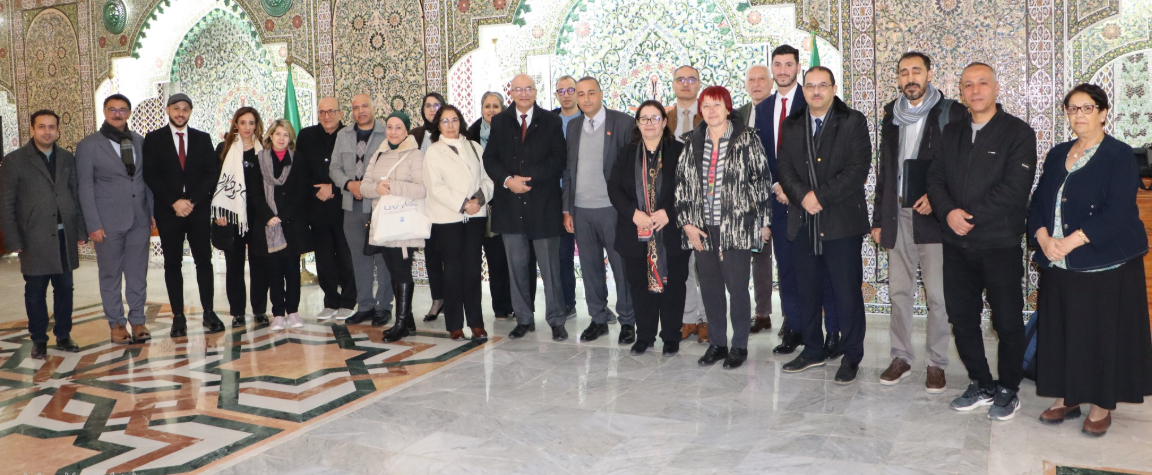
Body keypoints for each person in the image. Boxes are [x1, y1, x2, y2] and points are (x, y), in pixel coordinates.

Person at [1029, 83, 1152, 436]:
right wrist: (1043, 238)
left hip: (1103, 261)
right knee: (1065, 332)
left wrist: (1070, 242)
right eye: (1072, 108)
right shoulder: (1057, 153)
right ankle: (1069, 396)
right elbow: (1039, 202)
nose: (1079, 115)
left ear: (1102, 113)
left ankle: (1101, 403)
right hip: (1058, 260)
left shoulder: (1119, 155)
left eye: (1087, 108)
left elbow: (1117, 212)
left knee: (1100, 335)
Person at [926, 62, 1036, 421]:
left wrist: (966, 217)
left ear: (996, 88)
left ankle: (1008, 388)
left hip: (999, 244)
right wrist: (947, 213)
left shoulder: (1018, 132)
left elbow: (1014, 190)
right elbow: (934, 179)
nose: (975, 90)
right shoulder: (951, 132)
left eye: (982, 83)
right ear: (961, 92)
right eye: (968, 85)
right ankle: (981, 382)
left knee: (1007, 322)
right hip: (956, 245)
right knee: (962, 318)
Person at [871, 52, 966, 392]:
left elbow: (961, 165)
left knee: (938, 295)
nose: (910, 78)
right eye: (904, 72)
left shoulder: (950, 112)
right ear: (898, 78)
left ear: (929, 74)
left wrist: (940, 198)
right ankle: (901, 357)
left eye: (916, 71)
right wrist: (878, 218)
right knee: (899, 292)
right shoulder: (890, 116)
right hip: (897, 214)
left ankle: (937, 363)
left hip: (933, 217)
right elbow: (885, 170)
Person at [777, 66, 872, 384]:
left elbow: (858, 169)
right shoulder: (792, 125)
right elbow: (784, 168)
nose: (815, 91)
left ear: (833, 88)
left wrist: (819, 196)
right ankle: (813, 350)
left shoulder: (853, 121)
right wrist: (803, 196)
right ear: (803, 90)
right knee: (807, 291)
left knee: (846, 293)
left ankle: (852, 355)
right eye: (810, 86)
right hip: (802, 221)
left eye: (822, 85)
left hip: (841, 222)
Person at [674, 85, 772, 370]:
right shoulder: (692, 141)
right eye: (706, 105)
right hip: (702, 229)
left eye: (717, 104)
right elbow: (681, 186)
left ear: (728, 108)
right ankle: (717, 343)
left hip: (737, 226)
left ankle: (739, 346)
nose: (712, 110)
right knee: (711, 289)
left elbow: (762, 182)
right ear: (700, 111)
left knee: (737, 289)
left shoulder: (747, 139)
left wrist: (764, 223)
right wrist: (687, 224)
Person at [754, 45, 843, 357]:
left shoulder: (812, 101)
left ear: (797, 68)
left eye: (788, 64)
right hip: (778, 202)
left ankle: (832, 331)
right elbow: (763, 156)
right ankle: (795, 327)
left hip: (811, 200)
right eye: (777, 64)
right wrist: (777, 185)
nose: (782, 70)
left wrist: (796, 189)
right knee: (788, 269)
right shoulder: (763, 108)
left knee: (824, 269)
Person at [484, 73, 569, 341]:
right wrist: (508, 180)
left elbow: (558, 159)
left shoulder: (551, 121)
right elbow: (490, 158)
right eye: (518, 89)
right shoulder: (500, 121)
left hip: (543, 205)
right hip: (510, 205)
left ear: (535, 91)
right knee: (517, 267)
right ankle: (523, 319)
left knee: (550, 268)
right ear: (511, 92)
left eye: (528, 88)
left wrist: (528, 179)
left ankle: (556, 320)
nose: (523, 93)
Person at [1, 110, 85, 358]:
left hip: (64, 236)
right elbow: (6, 203)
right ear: (32, 129)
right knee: (35, 291)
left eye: (51, 127)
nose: (47, 132)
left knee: (65, 288)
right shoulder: (15, 160)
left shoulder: (67, 158)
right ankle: (38, 339)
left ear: (58, 131)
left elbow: (75, 195)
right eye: (41, 127)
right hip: (33, 238)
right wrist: (13, 239)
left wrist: (80, 230)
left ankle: (64, 335)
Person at [608, 100, 688, 356]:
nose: (650, 123)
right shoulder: (626, 153)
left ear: (664, 122)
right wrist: (633, 213)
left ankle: (671, 336)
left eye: (655, 118)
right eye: (644, 118)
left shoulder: (680, 151)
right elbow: (614, 189)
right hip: (635, 232)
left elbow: (690, 189)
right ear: (638, 123)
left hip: (670, 232)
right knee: (639, 287)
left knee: (673, 287)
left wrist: (670, 213)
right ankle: (644, 336)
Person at [143, 93, 224, 337]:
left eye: (185, 109)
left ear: (190, 112)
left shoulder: (202, 138)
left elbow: (211, 173)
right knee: (172, 264)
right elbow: (151, 175)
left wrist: (191, 201)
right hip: (169, 212)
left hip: (197, 211)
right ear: (168, 110)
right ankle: (178, 316)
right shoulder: (154, 139)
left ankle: (209, 311)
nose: (180, 113)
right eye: (176, 108)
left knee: (203, 262)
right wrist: (174, 202)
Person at [563, 76, 636, 344]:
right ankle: (598, 318)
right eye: (581, 94)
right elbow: (569, 170)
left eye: (591, 93)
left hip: (613, 210)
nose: (586, 99)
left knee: (621, 268)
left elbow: (632, 167)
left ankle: (628, 321)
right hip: (582, 210)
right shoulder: (573, 126)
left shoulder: (622, 123)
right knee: (590, 267)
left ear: (601, 94)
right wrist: (567, 209)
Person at [77, 94, 154, 343]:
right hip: (107, 223)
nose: (117, 114)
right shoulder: (89, 145)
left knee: (137, 274)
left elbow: (146, 180)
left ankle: (138, 321)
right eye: (112, 109)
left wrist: (152, 212)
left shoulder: (139, 141)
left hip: (139, 220)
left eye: (122, 110)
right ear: (104, 112)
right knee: (110, 275)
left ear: (129, 114)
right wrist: (93, 224)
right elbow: (85, 187)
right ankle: (117, 324)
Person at [425, 105, 493, 342]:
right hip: (448, 218)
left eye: (454, 120)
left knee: (473, 269)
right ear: (438, 125)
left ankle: (476, 323)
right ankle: (454, 324)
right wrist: (464, 204)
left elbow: (487, 179)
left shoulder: (474, 147)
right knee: (452, 271)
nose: (450, 125)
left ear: (461, 122)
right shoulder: (433, 151)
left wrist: (478, 201)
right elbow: (435, 187)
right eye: (445, 121)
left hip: (475, 216)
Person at [360, 112, 427, 342]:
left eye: (398, 127)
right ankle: (407, 320)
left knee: (401, 271)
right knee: (392, 270)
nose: (393, 132)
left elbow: (422, 189)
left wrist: (392, 186)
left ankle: (401, 325)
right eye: (389, 127)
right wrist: (376, 189)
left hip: (403, 223)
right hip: (383, 223)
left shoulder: (415, 154)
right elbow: (365, 187)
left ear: (406, 130)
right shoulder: (379, 153)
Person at [329, 93, 395, 325]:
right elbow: (334, 168)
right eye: (355, 107)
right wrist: (349, 184)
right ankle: (365, 305)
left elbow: (393, 168)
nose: (360, 111)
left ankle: (384, 306)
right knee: (358, 259)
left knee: (383, 259)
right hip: (352, 207)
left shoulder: (386, 133)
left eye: (364, 106)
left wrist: (367, 188)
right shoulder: (343, 135)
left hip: (379, 206)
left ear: (373, 108)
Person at [249, 120, 312, 331]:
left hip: (292, 224)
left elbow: (302, 192)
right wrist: (269, 216)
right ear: (270, 135)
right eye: (278, 134)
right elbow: (255, 192)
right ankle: (277, 314)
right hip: (267, 225)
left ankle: (292, 311)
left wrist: (283, 216)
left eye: (286, 135)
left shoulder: (299, 159)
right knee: (273, 272)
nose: (281, 138)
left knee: (292, 271)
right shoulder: (259, 159)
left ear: (291, 138)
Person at [210, 107, 270, 328]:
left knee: (259, 266)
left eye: (251, 123)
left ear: (257, 125)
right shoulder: (224, 149)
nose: (247, 127)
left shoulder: (264, 149)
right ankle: (237, 313)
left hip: (258, 216)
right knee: (234, 266)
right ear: (236, 124)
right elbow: (215, 183)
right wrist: (219, 213)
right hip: (231, 215)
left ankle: (260, 310)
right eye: (243, 122)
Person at [298, 97, 356, 321]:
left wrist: (333, 187)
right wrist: (316, 191)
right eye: (322, 112)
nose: (326, 116)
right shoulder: (306, 136)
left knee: (346, 257)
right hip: (317, 208)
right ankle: (330, 301)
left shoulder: (351, 135)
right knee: (323, 259)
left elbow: (357, 171)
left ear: (341, 113)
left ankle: (348, 301)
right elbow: (300, 170)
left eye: (331, 111)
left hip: (344, 207)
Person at [667, 65, 708, 344]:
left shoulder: (710, 114)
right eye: (680, 79)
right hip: (673, 204)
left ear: (698, 84)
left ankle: (707, 320)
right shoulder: (664, 118)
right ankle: (689, 318)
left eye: (691, 79)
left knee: (705, 266)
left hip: (705, 203)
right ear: (673, 84)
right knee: (681, 266)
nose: (685, 83)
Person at [468, 91, 514, 320]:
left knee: (512, 257)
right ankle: (501, 308)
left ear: (503, 108)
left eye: (496, 106)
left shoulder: (512, 129)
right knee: (494, 258)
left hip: (509, 199)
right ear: (481, 108)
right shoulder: (471, 135)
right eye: (487, 106)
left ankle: (517, 304)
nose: (491, 110)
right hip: (483, 203)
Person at [737, 64, 775, 334]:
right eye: (751, 80)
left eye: (762, 79)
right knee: (757, 256)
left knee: (784, 256)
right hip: (745, 198)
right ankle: (761, 313)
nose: (757, 83)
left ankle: (791, 318)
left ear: (771, 83)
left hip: (779, 193)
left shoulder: (781, 110)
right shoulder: (738, 115)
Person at [408, 92, 447, 322]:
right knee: (431, 253)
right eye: (428, 106)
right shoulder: (415, 135)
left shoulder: (451, 132)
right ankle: (437, 300)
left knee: (450, 254)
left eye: (436, 105)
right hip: (423, 204)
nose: (432, 109)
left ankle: (453, 301)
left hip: (448, 203)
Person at [549, 75, 580, 319]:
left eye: (571, 90)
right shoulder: (549, 121)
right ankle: (568, 303)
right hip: (556, 196)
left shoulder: (589, 118)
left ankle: (601, 307)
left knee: (594, 254)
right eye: (561, 91)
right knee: (563, 254)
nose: (566, 94)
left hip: (587, 194)